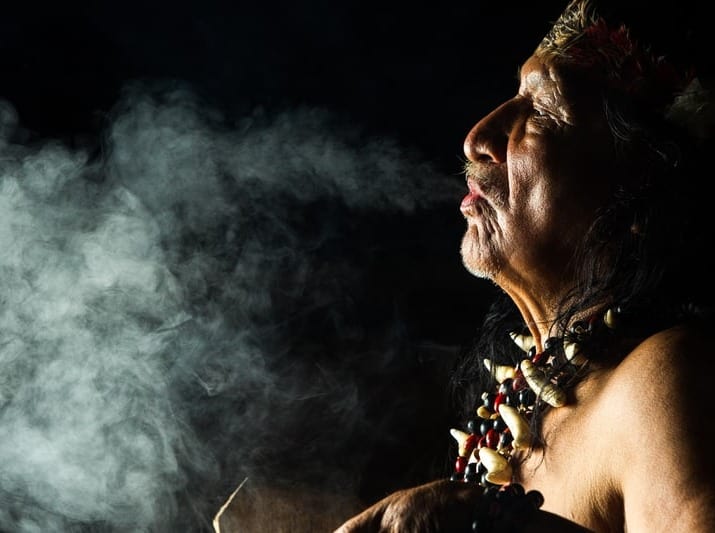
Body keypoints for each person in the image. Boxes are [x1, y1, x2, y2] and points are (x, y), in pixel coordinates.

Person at [334, 0, 715, 531]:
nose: (477, 139)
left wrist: (495, 520)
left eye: (542, 109)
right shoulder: (515, 411)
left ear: (640, 196)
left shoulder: (666, 379)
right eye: (515, 96)